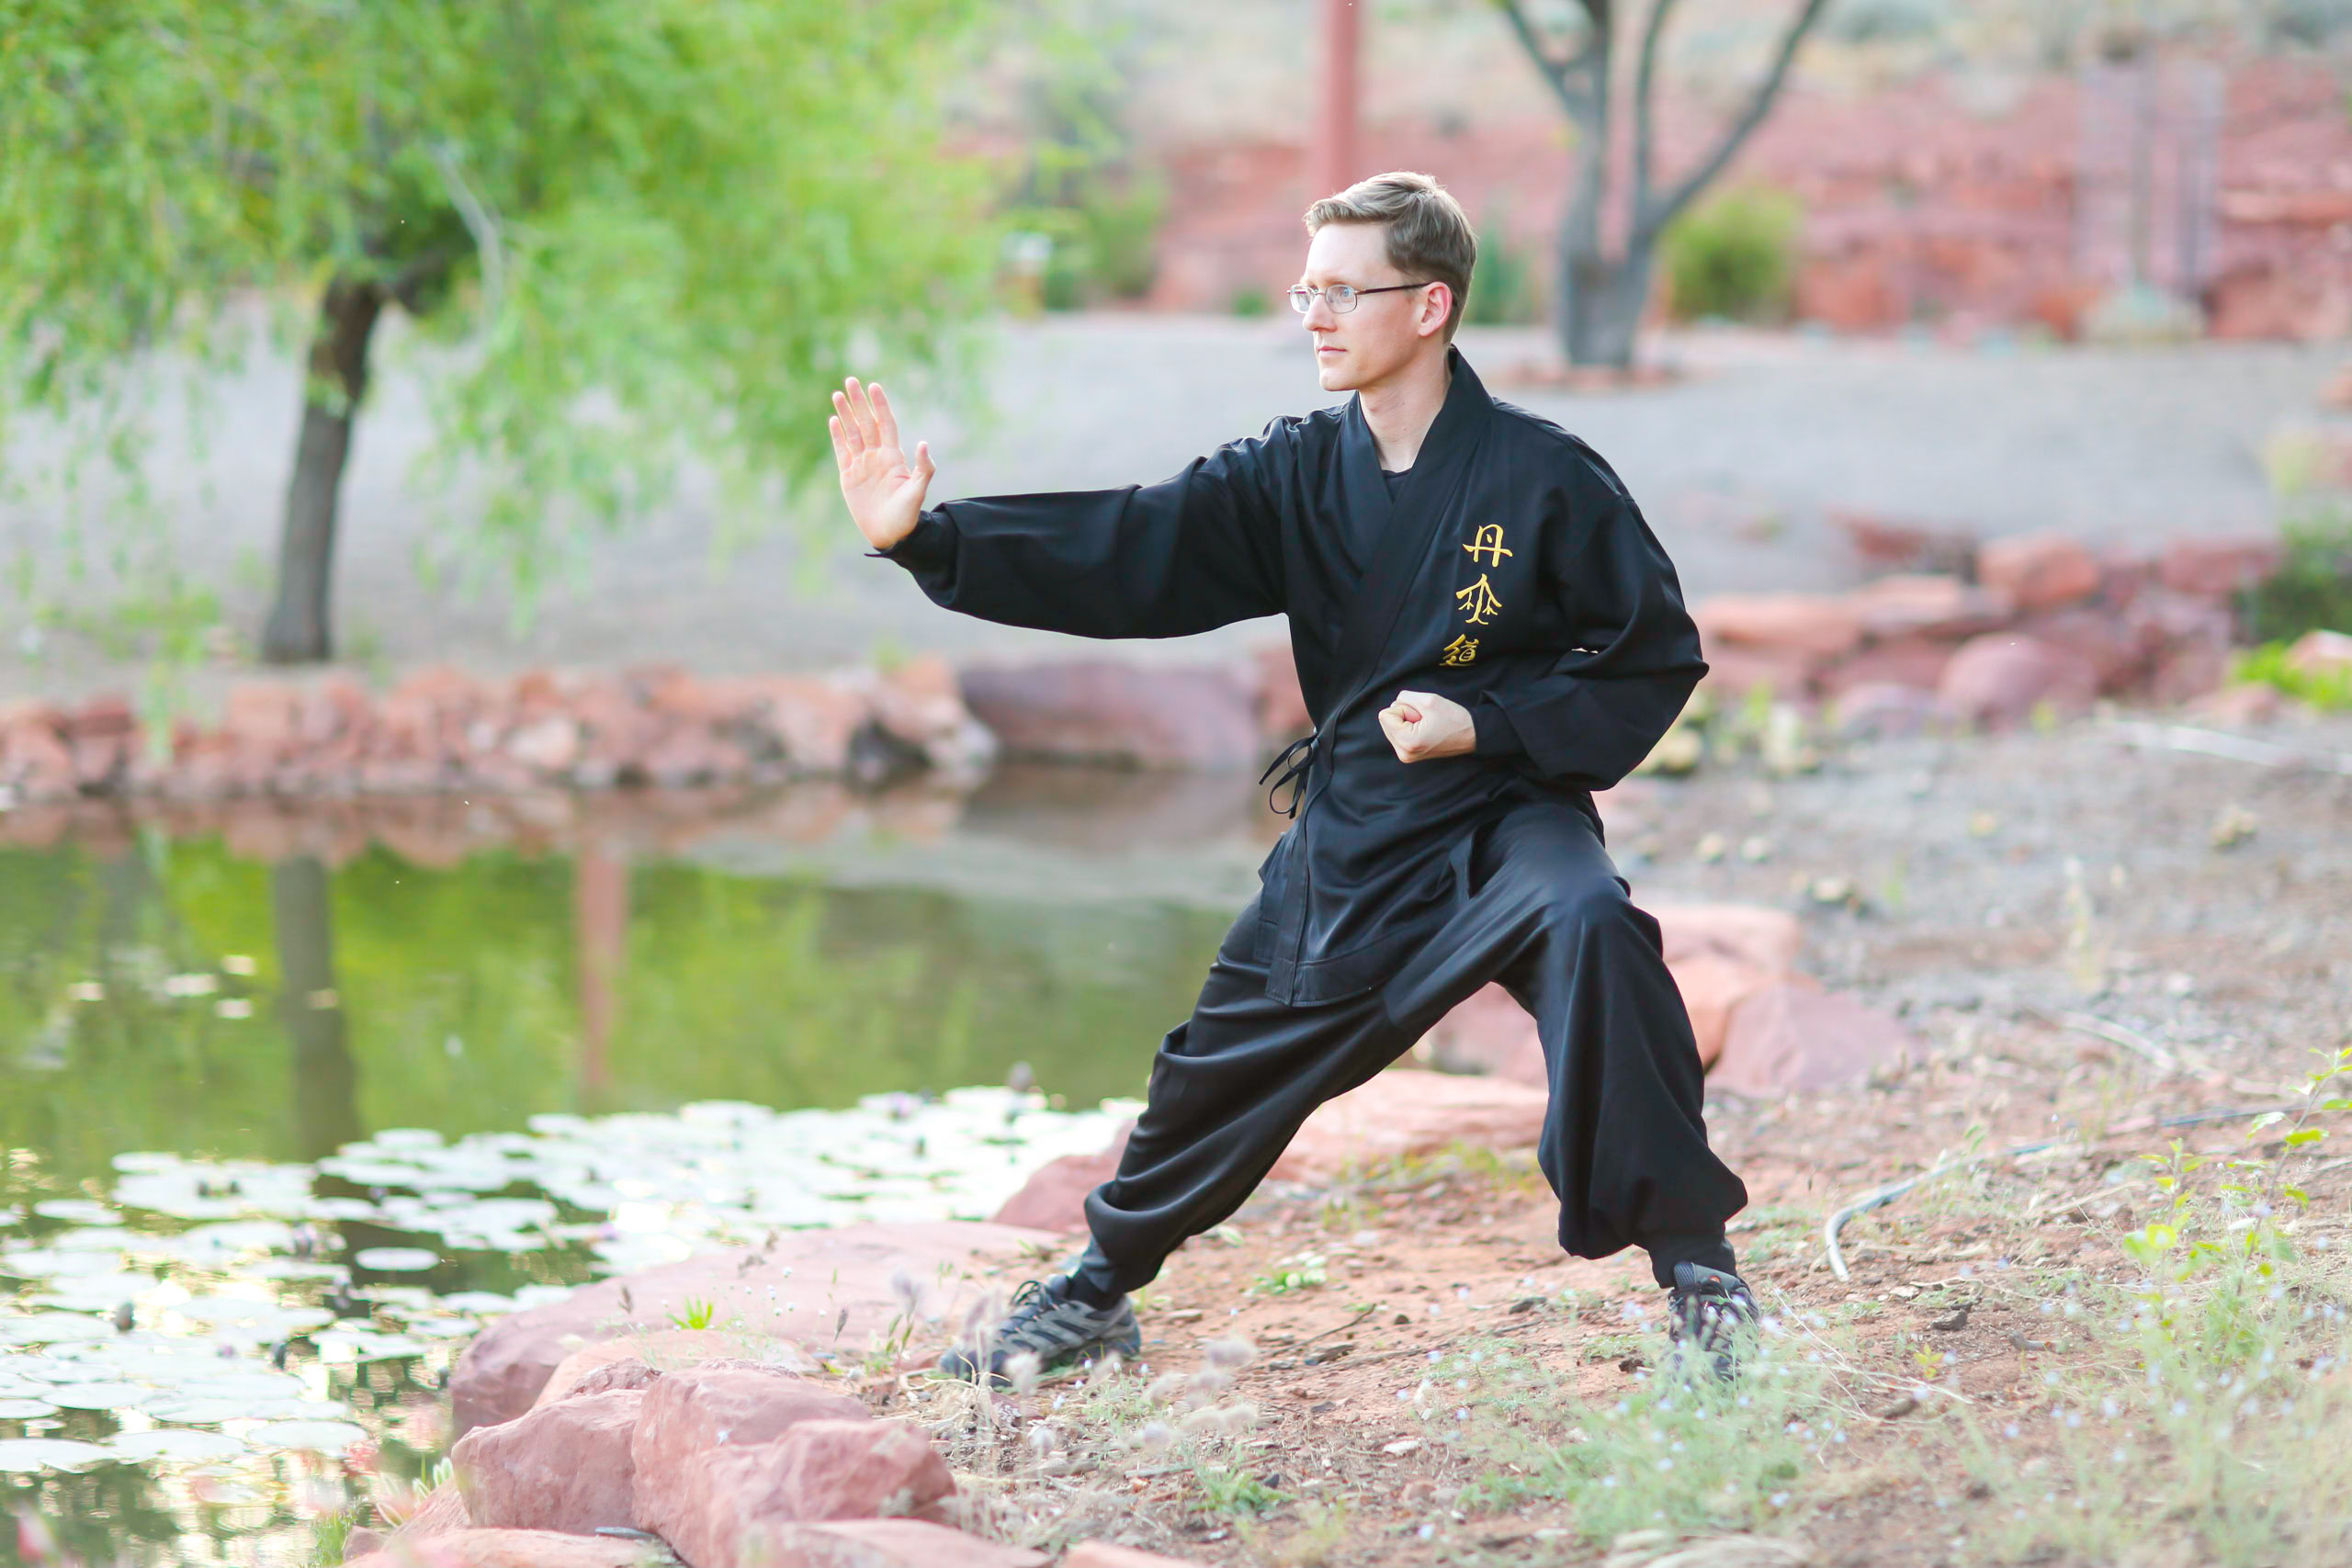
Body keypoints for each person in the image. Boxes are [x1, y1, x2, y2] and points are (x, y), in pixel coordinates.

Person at [829, 171, 1758, 1381]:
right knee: (1215, 1066)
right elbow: (1132, 544)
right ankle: (1098, 1291)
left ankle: (1702, 1277)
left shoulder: (1543, 478)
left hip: (1505, 819)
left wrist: (1488, 726)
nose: (1312, 315)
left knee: (1592, 924)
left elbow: (1650, 654)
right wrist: (929, 540)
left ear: (1428, 306)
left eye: (1340, 291)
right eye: (1304, 288)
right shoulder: (1291, 474)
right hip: (1362, 835)